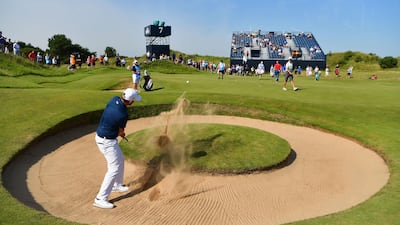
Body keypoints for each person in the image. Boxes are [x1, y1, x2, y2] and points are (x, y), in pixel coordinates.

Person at [93, 88, 142, 209]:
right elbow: (121, 131)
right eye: (134, 100)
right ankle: (100, 198)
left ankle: (116, 185)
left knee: (120, 159)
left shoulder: (114, 99)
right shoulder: (123, 114)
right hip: (107, 142)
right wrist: (122, 133)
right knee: (113, 169)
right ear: (130, 102)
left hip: (103, 137)